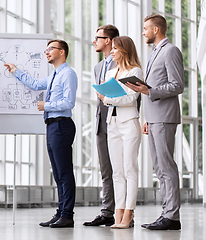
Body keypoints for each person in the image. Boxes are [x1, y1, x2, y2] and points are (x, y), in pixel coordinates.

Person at [5, 39, 78, 228]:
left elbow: (69, 102)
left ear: (62, 52)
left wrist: (47, 105)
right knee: (58, 173)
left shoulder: (68, 74)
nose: (46, 52)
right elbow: (36, 84)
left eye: (50, 49)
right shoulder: (54, 75)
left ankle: (67, 214)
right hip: (52, 125)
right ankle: (61, 212)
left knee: (64, 172)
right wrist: (15, 71)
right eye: (46, 49)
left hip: (62, 125)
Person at [126, 14, 183, 231]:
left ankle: (172, 216)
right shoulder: (154, 53)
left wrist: (149, 90)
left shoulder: (170, 51)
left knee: (166, 167)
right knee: (160, 168)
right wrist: (147, 118)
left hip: (165, 116)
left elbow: (177, 85)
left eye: (145, 29)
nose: (143, 32)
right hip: (155, 117)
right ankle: (167, 214)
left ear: (156, 30)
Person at [97, 36, 142, 229]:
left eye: (115, 48)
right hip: (112, 123)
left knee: (130, 169)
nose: (112, 51)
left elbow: (131, 99)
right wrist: (105, 96)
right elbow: (109, 97)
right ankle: (119, 213)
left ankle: (128, 213)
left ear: (124, 50)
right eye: (112, 48)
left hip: (129, 122)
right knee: (117, 172)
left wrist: (107, 98)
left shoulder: (135, 71)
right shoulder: (110, 72)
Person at [84, 24, 119, 227]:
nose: (94, 41)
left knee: (120, 169)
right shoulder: (99, 67)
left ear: (108, 41)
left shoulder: (121, 62)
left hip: (117, 120)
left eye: (98, 37)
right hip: (101, 123)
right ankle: (107, 212)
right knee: (105, 170)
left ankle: (123, 211)